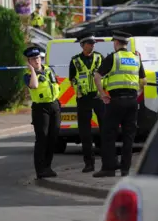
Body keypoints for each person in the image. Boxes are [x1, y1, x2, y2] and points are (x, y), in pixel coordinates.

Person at [92, 31, 147, 178]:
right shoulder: (136, 58)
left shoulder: (113, 57)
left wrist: (103, 94)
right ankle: (125, 170)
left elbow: (97, 76)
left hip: (116, 101)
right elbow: (144, 81)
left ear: (116, 42)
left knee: (108, 134)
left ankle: (109, 169)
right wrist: (137, 93)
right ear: (126, 44)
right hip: (132, 102)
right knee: (129, 137)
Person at [69, 33, 105, 173]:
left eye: (93, 43)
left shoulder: (99, 57)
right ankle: (88, 163)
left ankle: (107, 161)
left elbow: (105, 75)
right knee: (85, 133)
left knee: (105, 129)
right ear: (83, 45)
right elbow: (72, 78)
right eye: (90, 43)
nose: (93, 45)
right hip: (83, 99)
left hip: (98, 98)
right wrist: (77, 89)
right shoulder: (75, 61)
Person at [23, 46, 61, 179]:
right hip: (41, 109)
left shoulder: (49, 70)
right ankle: (40, 170)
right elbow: (34, 85)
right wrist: (32, 70)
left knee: (53, 137)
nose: (37, 61)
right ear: (29, 61)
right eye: (33, 59)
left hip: (54, 105)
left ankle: (48, 167)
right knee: (42, 139)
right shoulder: (28, 76)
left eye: (38, 58)